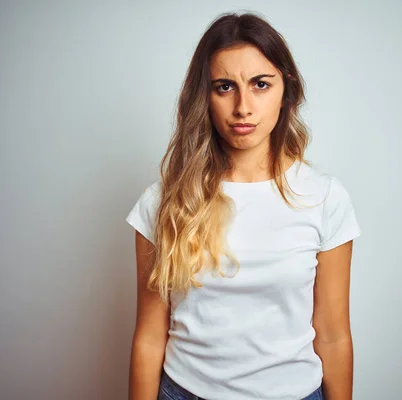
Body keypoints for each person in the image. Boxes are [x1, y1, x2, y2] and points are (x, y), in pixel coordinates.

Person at [126, 12, 362, 400]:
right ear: (204, 96)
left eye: (260, 84)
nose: (243, 107)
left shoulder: (324, 198)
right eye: (224, 87)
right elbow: (150, 337)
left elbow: (334, 335)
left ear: (285, 89)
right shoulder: (164, 202)